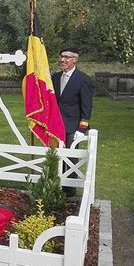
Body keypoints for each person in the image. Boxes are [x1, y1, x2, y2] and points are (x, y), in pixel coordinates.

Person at [52, 47, 93, 196]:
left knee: (70, 158)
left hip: (72, 126)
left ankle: (68, 189)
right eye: (61, 56)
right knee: (54, 155)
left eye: (67, 57)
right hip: (55, 124)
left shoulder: (83, 79)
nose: (62, 60)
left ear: (75, 59)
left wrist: (81, 129)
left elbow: (87, 107)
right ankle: (54, 184)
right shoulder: (55, 77)